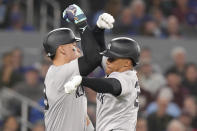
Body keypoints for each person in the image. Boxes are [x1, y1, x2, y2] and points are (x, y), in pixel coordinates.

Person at [43, 4, 114, 131]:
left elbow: (97, 58)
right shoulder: (59, 73)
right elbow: (93, 58)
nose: (78, 49)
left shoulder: (66, 72)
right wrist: (82, 23)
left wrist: (98, 30)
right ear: (62, 50)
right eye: (74, 45)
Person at [65, 37, 141, 130]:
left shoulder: (127, 78)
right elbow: (96, 54)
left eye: (112, 58)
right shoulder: (117, 69)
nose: (107, 61)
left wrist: (82, 80)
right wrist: (95, 29)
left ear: (126, 63)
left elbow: (112, 85)